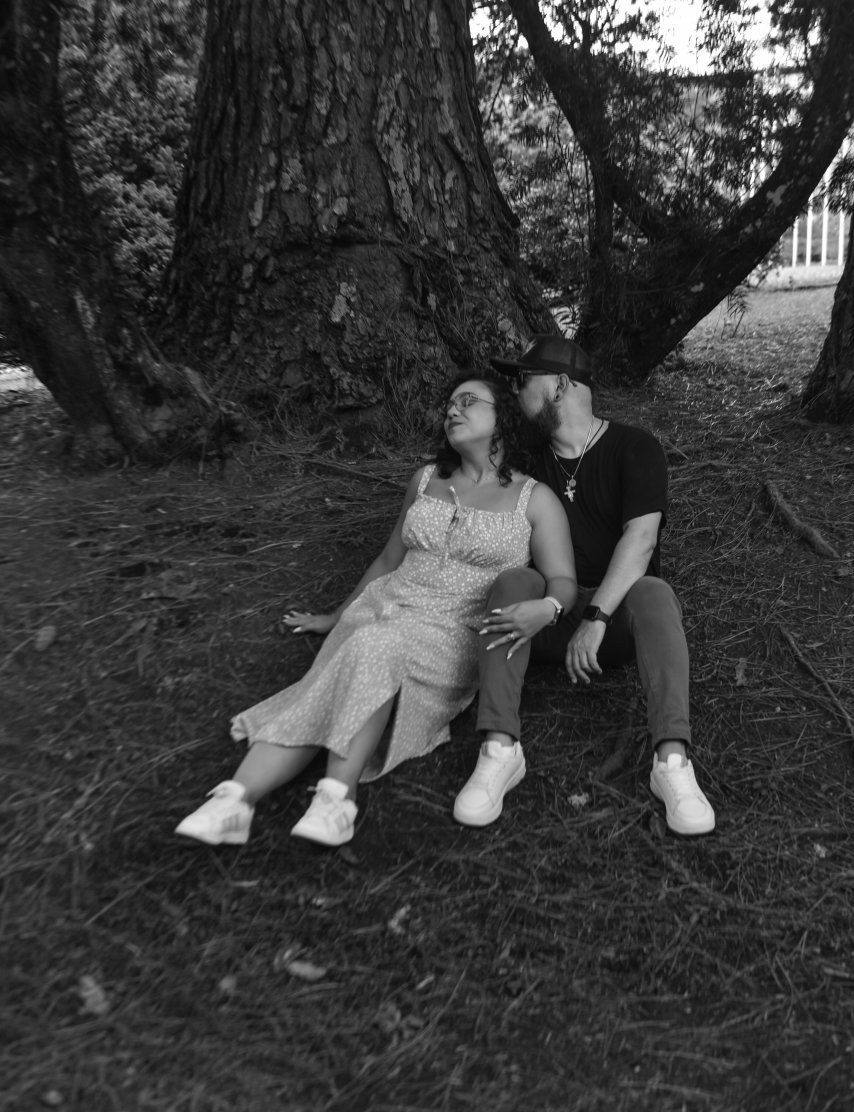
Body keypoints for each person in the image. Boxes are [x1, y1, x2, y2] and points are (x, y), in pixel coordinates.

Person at [175, 373, 576, 849]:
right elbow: (388, 561)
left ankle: (330, 799)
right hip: (383, 609)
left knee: (369, 650)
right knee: (360, 651)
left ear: (503, 418)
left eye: (468, 401)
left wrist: (548, 608)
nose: (452, 410)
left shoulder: (534, 498)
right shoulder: (425, 479)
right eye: (449, 403)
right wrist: (336, 615)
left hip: (453, 633)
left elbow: (563, 580)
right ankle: (236, 801)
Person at [452, 336, 716, 837]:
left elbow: (641, 541)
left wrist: (596, 619)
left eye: (524, 379)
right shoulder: (525, 459)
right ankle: (499, 750)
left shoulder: (635, 448)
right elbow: (473, 477)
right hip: (544, 618)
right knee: (514, 580)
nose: (516, 390)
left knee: (654, 592)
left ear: (560, 385)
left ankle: (672, 763)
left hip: (613, 627)